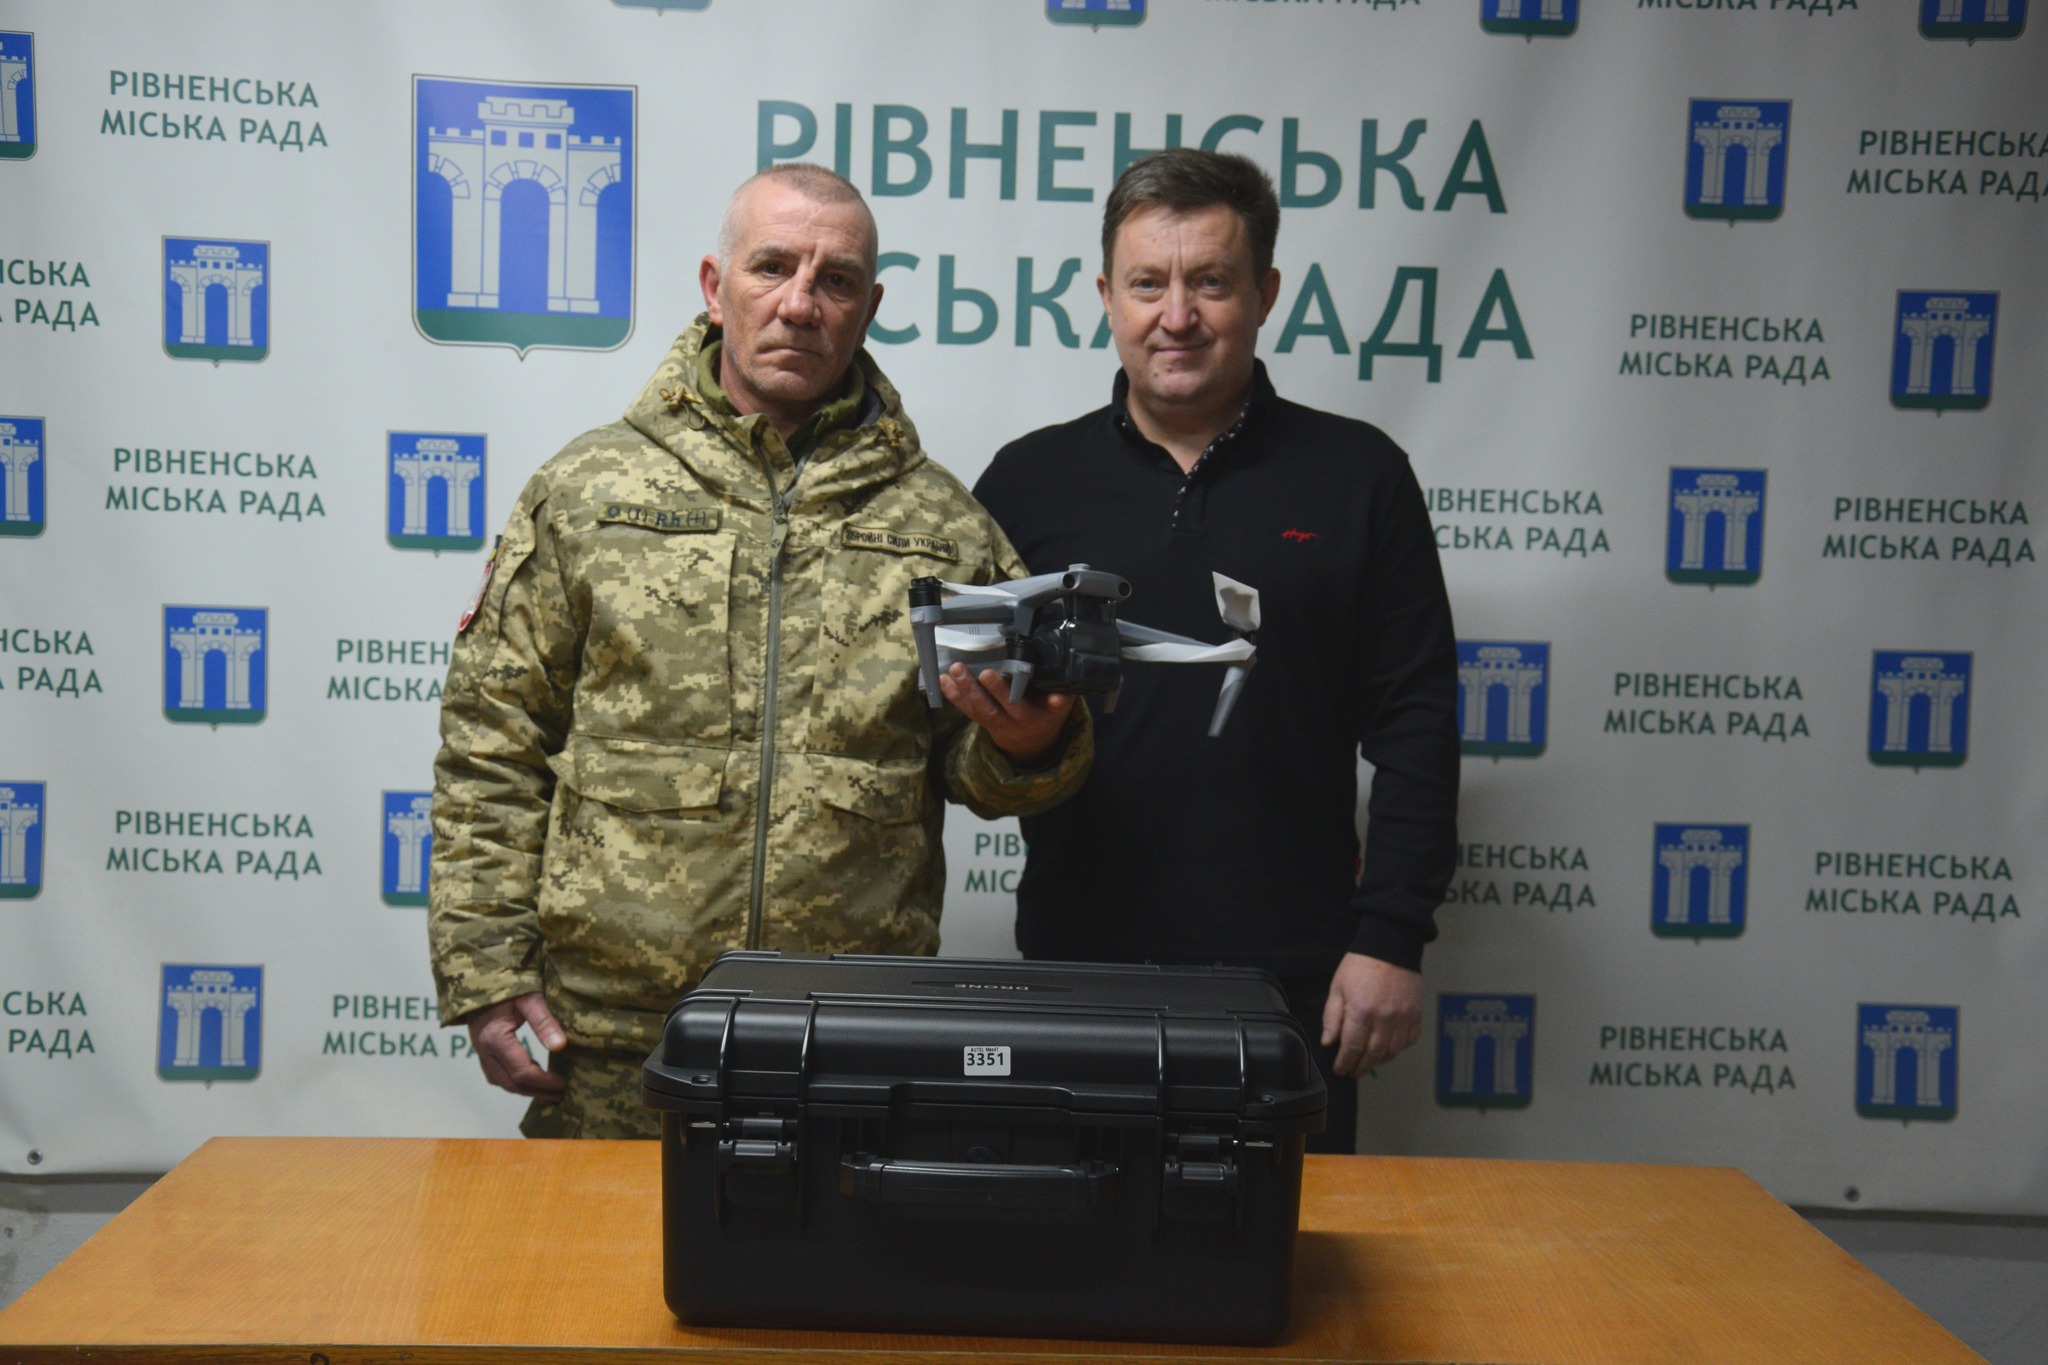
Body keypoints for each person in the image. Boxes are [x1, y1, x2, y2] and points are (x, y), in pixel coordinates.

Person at [429, 164, 1091, 1139]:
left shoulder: (942, 526)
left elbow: (981, 769)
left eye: (835, 280)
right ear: (715, 285)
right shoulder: (588, 490)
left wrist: (1027, 745)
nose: (800, 303)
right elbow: (493, 741)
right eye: (772, 267)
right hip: (615, 1042)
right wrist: (484, 968)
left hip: (854, 1042)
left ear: (869, 309)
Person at [972, 149, 1459, 1154]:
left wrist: (1389, 938)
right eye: (1147, 283)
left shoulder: (1359, 475)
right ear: (1105, 296)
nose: (1177, 315)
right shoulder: (1025, 482)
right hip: (1075, 972)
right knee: (1072, 1242)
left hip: (1290, 982)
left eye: (1211, 283)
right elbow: (971, 729)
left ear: (1265, 293)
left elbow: (1417, 725)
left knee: (1281, 1252)